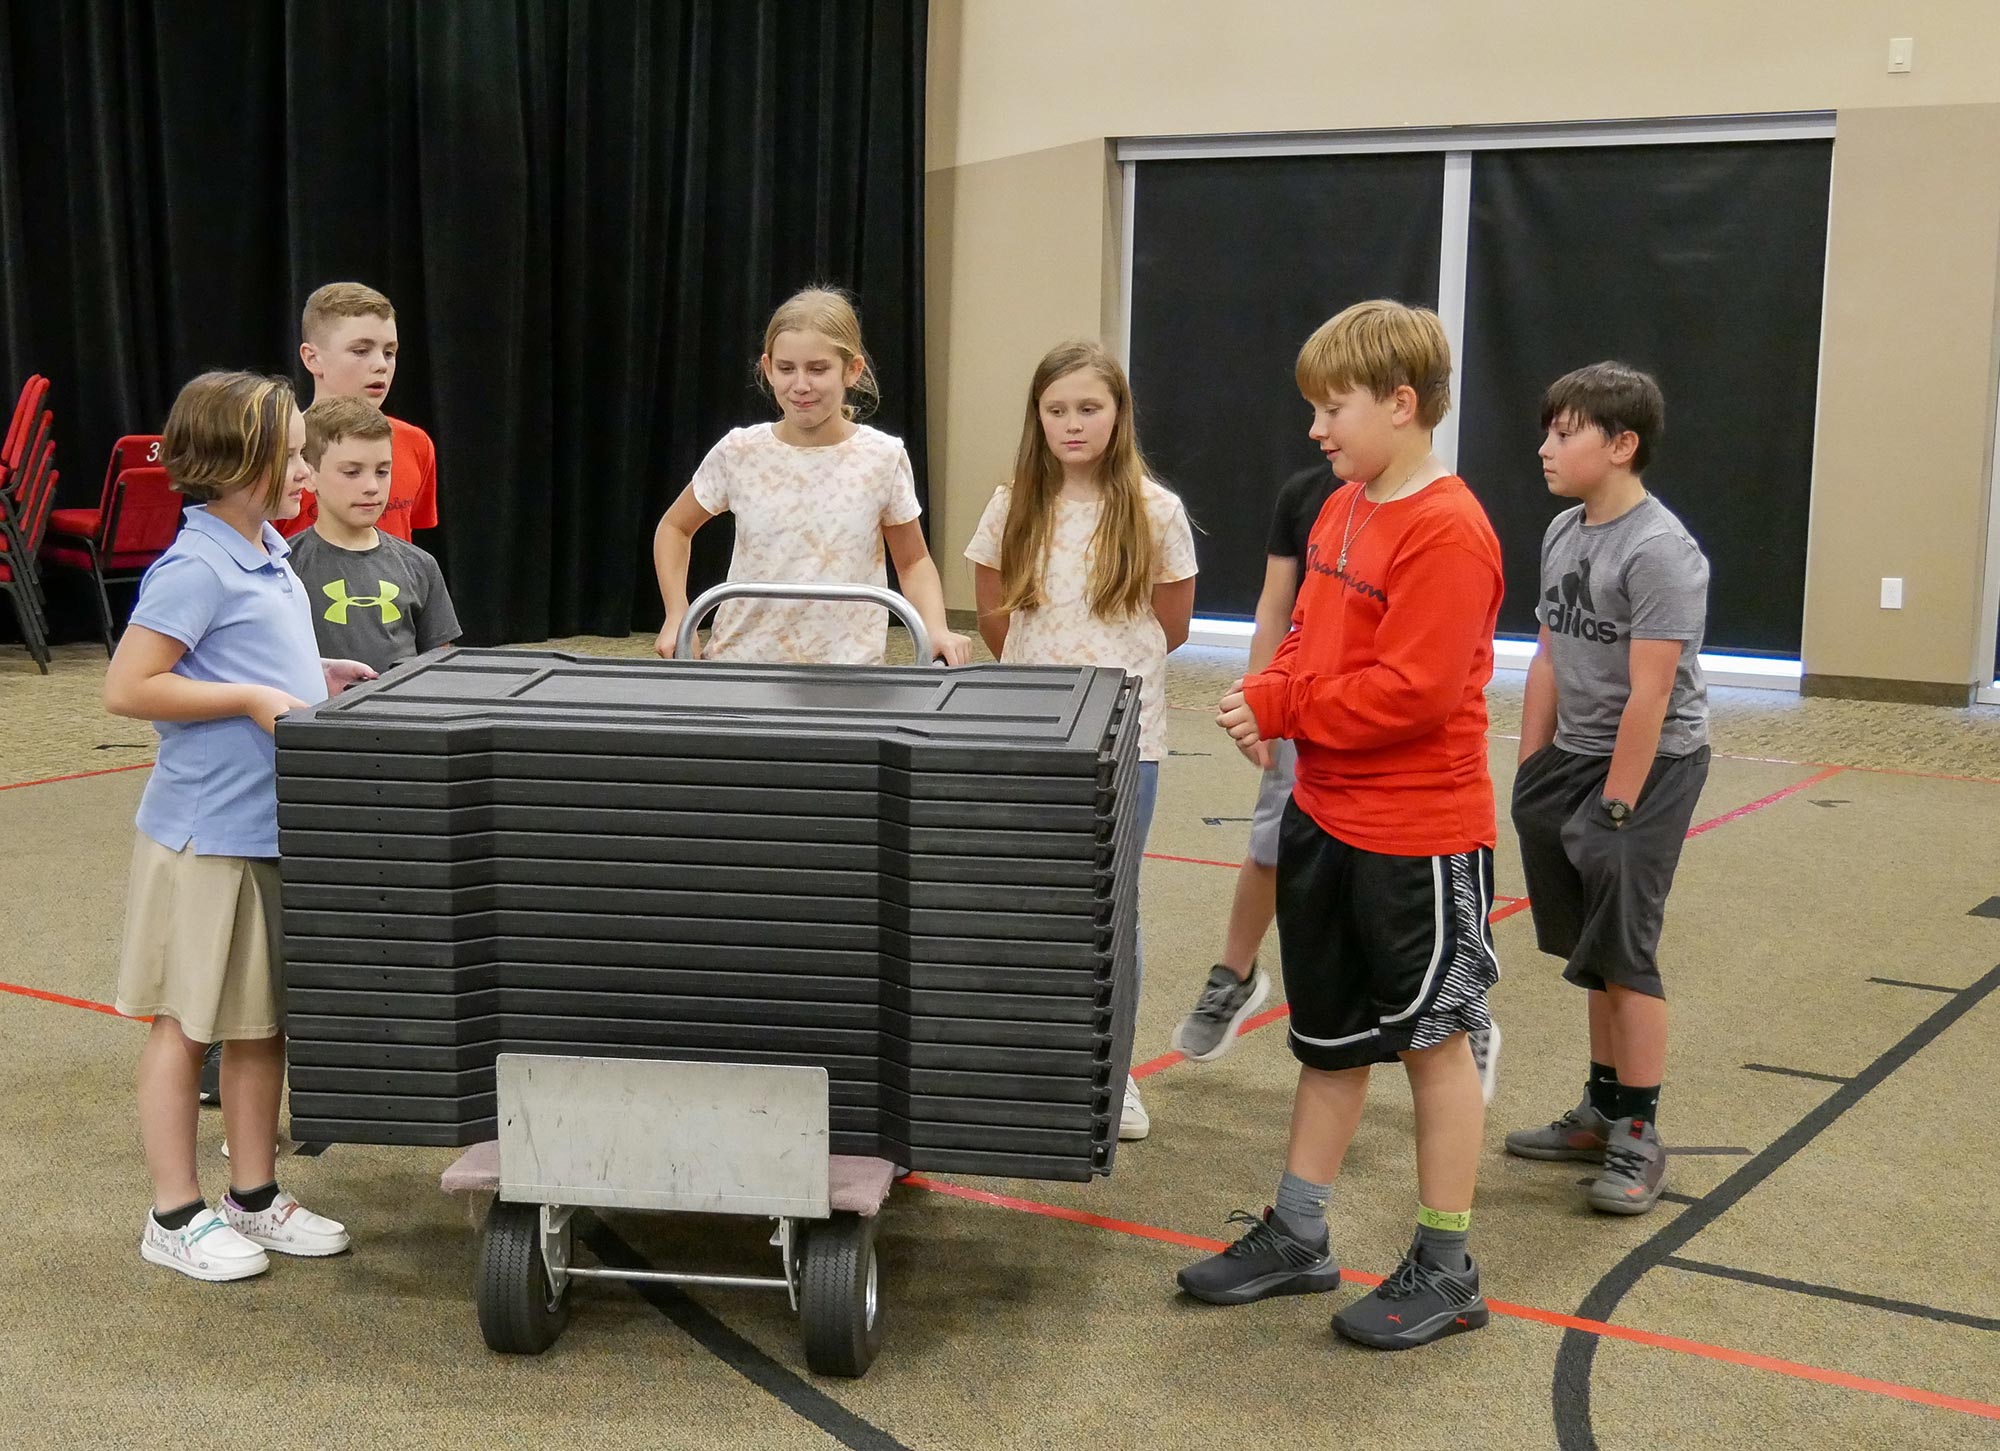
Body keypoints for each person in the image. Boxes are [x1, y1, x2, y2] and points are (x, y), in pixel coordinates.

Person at [1178, 300, 1503, 1350]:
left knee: (1432, 1044)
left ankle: (1446, 1263)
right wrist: (1267, 685)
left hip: (1417, 836)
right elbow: (1309, 637)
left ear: (1401, 405)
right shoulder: (1341, 507)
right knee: (1329, 1040)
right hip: (1324, 816)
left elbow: (1408, 692)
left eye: (1333, 408)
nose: (1316, 430)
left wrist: (1281, 706)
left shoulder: (1449, 529)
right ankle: (1299, 1232)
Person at [105, 371, 373, 1281]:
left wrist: (314, 675)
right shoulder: (193, 564)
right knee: (188, 1025)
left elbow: (255, 657)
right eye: (294, 454)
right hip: (204, 838)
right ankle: (173, 1213)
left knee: (261, 1024)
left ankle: (252, 1197)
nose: (306, 467)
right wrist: (258, 696)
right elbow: (130, 685)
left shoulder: (264, 550)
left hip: (268, 829)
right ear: (240, 464)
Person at [964, 339, 1198, 1142]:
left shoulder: (1155, 509)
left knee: (1111, 901)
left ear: (1118, 415)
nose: (1072, 423)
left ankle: (1112, 1066)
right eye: (1057, 409)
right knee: (1030, 898)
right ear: (1038, 416)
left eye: (1088, 408)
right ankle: (1031, 1053)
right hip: (1032, 730)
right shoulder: (1014, 503)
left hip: (1127, 740)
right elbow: (992, 608)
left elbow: (1173, 622)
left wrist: (1107, 678)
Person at [1504, 362, 1711, 1216]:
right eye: (1549, 429)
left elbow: (1653, 695)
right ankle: (1599, 1108)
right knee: (1590, 950)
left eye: (1566, 432)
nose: (1547, 446)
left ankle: (1640, 1134)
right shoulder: (1563, 532)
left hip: (1649, 767)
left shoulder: (1662, 551)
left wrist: (1617, 804)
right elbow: (1550, 655)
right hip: (1576, 760)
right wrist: (1531, 771)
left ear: (1622, 445)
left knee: (1625, 953)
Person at [650, 286, 970, 666]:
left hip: (848, 671)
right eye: (786, 369)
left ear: (852, 370)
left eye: (818, 369)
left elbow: (913, 561)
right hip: (743, 661)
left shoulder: (882, 457)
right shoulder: (739, 452)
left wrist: (934, 627)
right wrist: (676, 614)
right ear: (768, 368)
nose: (800, 385)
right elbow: (675, 528)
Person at [288, 396, 461, 673]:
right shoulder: (285, 566)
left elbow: (439, 669)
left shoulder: (420, 566)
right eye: (352, 472)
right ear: (309, 475)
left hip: (399, 713)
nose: (371, 486)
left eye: (382, 471)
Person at [278, 281, 440, 543]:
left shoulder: (415, 444)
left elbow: (410, 550)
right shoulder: (277, 448)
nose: (380, 365)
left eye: (389, 352)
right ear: (312, 358)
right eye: (360, 351)